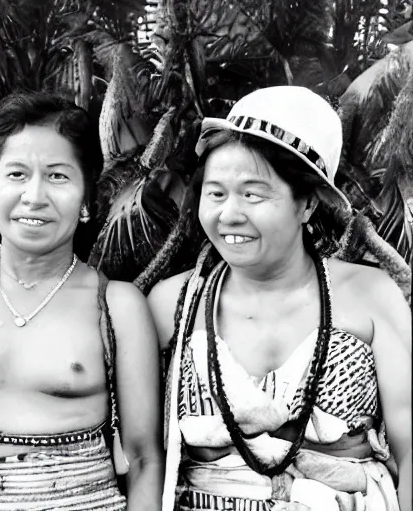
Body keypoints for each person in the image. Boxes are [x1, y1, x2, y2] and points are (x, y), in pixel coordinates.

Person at [148, 86, 411, 511]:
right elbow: (143, 454)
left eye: (253, 194)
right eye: (215, 193)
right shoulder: (172, 304)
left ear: (306, 203)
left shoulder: (370, 296)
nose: (229, 214)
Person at [0, 91, 163, 510]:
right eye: (17, 174)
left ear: (86, 201)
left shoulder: (115, 305)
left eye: (58, 176)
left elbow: (145, 457)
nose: (34, 197)